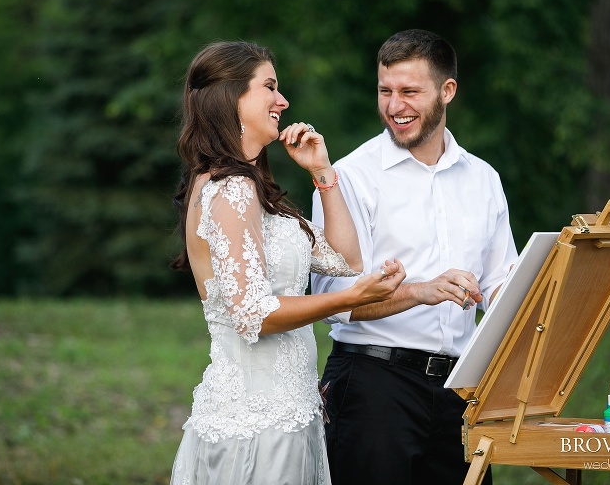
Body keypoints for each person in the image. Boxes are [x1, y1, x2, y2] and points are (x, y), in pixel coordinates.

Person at [169, 40, 406, 485]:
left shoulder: (253, 191)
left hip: (290, 414)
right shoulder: (230, 189)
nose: (283, 101)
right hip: (256, 428)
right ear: (231, 97)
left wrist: (322, 172)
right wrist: (348, 302)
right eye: (270, 87)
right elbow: (252, 314)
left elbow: (345, 259)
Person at [311, 29, 518, 485]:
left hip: (460, 390)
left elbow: (501, 283)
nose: (394, 105)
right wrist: (419, 292)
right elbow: (333, 300)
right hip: (372, 386)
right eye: (385, 91)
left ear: (447, 91)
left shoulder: (483, 178)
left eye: (409, 91)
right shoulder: (349, 176)